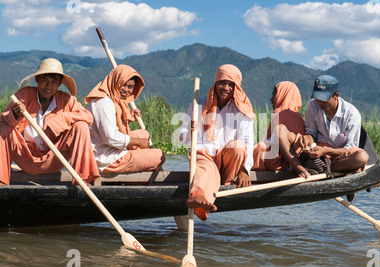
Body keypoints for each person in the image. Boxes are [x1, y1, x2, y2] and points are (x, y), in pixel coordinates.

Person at [0, 58, 100, 186]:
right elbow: (3, 119)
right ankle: (1, 181)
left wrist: (61, 119)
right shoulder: (24, 94)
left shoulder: (66, 100)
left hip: (54, 158)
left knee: (81, 126)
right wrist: (15, 113)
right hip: (26, 158)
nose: (48, 86)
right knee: (4, 128)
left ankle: (83, 179)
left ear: (59, 84)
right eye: (44, 81)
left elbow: (88, 116)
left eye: (54, 82)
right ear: (37, 80)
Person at [178, 64, 254, 220]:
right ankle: (199, 198)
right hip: (205, 157)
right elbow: (181, 135)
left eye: (230, 84)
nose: (225, 87)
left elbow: (248, 140)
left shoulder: (241, 109)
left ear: (236, 88)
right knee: (205, 166)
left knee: (238, 146)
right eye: (222, 83)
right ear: (215, 83)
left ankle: (221, 182)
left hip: (228, 165)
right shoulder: (198, 104)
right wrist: (190, 132)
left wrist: (245, 170)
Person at [277, 75, 369, 176]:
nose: (319, 102)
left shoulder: (351, 113)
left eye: (323, 99)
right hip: (315, 152)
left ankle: (326, 168)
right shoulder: (313, 105)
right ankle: (301, 169)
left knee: (361, 157)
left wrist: (326, 151)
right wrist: (307, 138)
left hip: (337, 158)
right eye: (317, 98)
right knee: (279, 130)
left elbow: (350, 147)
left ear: (336, 95)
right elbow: (311, 133)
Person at [85, 64, 165, 174]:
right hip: (107, 159)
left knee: (144, 134)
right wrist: (138, 142)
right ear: (115, 81)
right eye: (123, 85)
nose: (126, 90)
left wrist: (129, 116)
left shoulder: (113, 99)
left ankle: (138, 174)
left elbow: (113, 122)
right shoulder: (103, 102)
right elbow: (110, 138)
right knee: (159, 155)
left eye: (130, 87)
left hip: (109, 150)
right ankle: (135, 182)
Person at [252, 81, 309, 178]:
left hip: (283, 163)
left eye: (274, 95)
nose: (271, 100)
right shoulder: (299, 117)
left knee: (256, 149)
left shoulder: (280, 115)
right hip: (294, 162)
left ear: (282, 96)